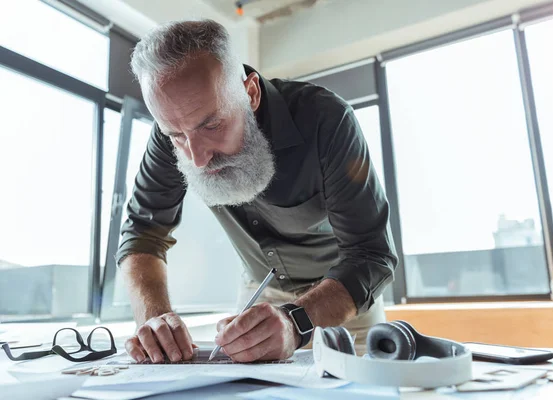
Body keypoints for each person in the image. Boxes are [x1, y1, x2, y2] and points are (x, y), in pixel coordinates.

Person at [119, 19, 398, 364]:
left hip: (344, 298)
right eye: (176, 135)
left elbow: (372, 255)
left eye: (212, 124)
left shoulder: (327, 121)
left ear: (250, 93)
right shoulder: (173, 134)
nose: (198, 157)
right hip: (259, 294)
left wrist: (296, 319)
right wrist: (154, 318)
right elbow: (142, 233)